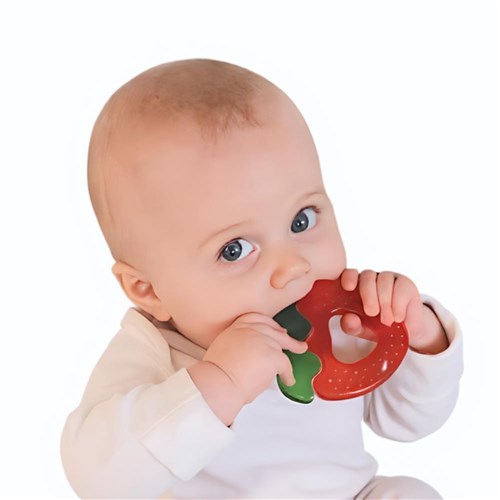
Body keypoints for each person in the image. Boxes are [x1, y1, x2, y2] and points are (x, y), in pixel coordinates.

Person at [60, 59, 463, 498]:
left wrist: (419, 335)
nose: (293, 267)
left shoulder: (339, 321)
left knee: (409, 493)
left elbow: (407, 422)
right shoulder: (149, 357)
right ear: (149, 290)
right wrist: (220, 383)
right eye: (234, 249)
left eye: (302, 220)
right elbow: (100, 481)